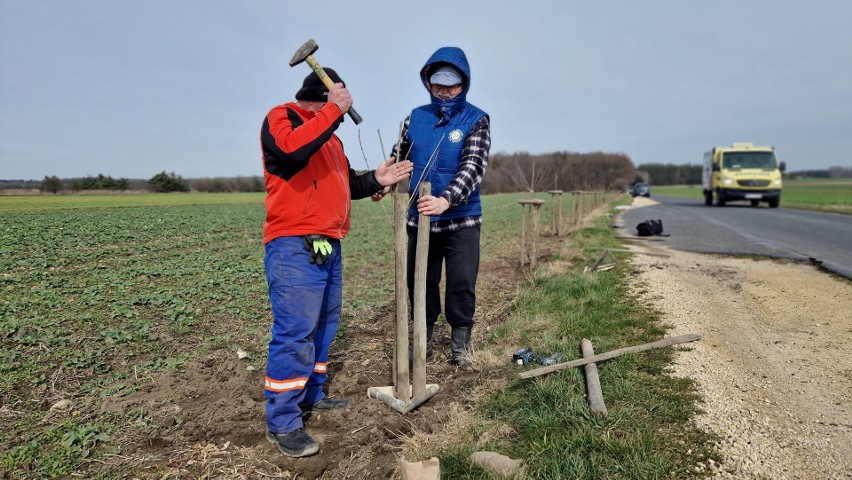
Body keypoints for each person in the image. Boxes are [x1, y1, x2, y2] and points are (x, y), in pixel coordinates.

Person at [260, 67, 413, 458]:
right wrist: (333, 112)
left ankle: (312, 395)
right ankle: (283, 422)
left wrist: (377, 179)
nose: (344, 111)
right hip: (294, 242)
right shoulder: (283, 117)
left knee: (325, 323)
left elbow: (348, 183)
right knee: (296, 329)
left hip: (328, 243)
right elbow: (292, 150)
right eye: (338, 102)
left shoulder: (331, 140)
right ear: (324, 95)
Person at [391, 47, 491, 371]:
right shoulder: (415, 117)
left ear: (464, 83)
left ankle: (460, 346)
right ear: (428, 83)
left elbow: (473, 167)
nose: (445, 90)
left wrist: (446, 199)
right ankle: (423, 339)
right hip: (420, 219)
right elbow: (399, 157)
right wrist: (384, 183)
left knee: (461, 283)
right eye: (438, 84)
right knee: (420, 282)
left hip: (461, 220)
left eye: (452, 84)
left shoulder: (476, 119)